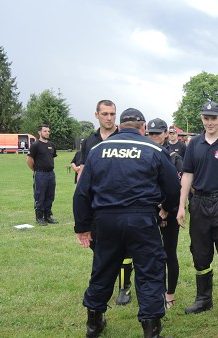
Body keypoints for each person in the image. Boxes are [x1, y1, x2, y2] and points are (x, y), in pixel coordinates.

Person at [73, 108, 180, 338]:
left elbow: (82, 192)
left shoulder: (98, 150)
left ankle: (93, 323)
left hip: (106, 220)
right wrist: (167, 208)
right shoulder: (153, 149)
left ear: (120, 127)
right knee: (150, 273)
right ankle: (151, 330)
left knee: (102, 270)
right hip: (141, 220)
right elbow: (173, 187)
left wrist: (82, 227)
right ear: (142, 129)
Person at [175, 101, 218, 320]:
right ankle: (203, 298)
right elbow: (187, 174)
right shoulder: (194, 143)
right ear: (202, 118)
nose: (210, 122)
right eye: (206, 118)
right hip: (199, 203)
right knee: (200, 252)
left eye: (214, 118)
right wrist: (182, 205)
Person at [79, 100, 134, 306]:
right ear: (97, 115)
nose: (109, 118)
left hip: (122, 202)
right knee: (100, 248)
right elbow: (84, 172)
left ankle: (125, 287)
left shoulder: (123, 138)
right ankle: (103, 286)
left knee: (125, 250)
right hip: (97, 203)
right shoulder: (89, 142)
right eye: (105, 114)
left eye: (112, 114)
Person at [147, 118, 183, 311]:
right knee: (152, 254)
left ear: (166, 134)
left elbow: (176, 186)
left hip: (170, 210)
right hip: (150, 210)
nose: (154, 137)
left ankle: (170, 293)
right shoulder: (144, 153)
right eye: (151, 134)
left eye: (158, 133)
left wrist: (166, 209)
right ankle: (156, 291)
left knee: (169, 253)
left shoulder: (173, 156)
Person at [27, 124, 59, 226]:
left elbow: (52, 158)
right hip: (40, 174)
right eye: (45, 131)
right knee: (40, 195)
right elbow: (29, 160)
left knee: (50, 195)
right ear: (39, 132)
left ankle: (48, 216)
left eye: (48, 131)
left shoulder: (52, 145)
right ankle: (39, 217)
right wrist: (36, 170)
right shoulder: (35, 145)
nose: (47, 133)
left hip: (51, 174)